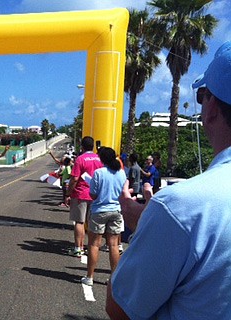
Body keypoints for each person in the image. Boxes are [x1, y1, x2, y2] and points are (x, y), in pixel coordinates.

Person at [106, 41, 231, 319]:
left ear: (211, 109)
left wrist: (147, 229)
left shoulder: (182, 206)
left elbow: (119, 307)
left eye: (202, 96)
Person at [81, 147, 126, 286]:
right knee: (114, 245)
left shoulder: (98, 173)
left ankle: (89, 277)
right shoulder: (121, 173)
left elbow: (93, 195)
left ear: (102, 159)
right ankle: (113, 278)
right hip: (116, 210)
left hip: (99, 210)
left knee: (94, 244)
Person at [64, 136, 103, 257]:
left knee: (79, 222)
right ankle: (91, 246)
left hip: (81, 193)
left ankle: (78, 247)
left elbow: (74, 178)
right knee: (92, 223)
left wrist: (68, 193)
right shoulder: (99, 159)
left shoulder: (80, 159)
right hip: (95, 194)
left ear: (82, 146)